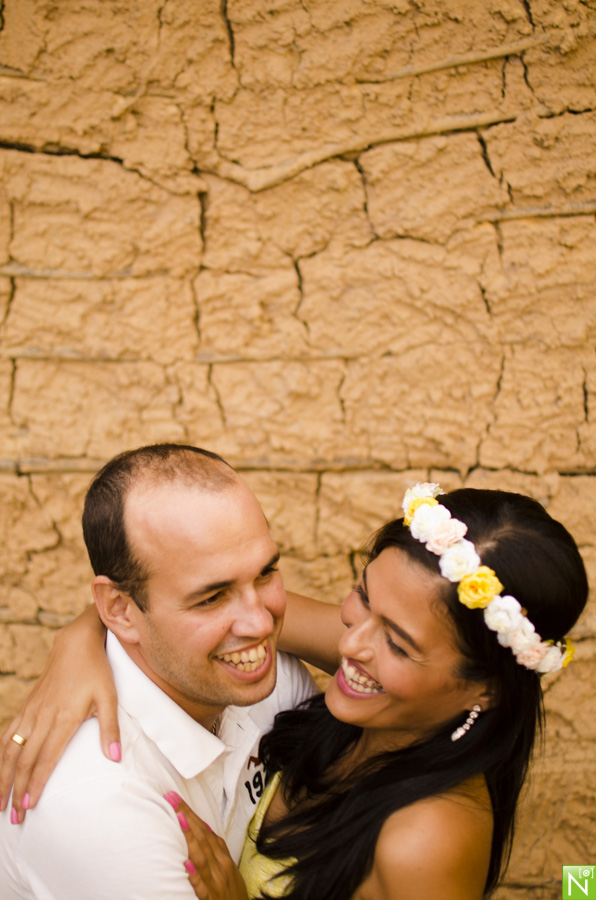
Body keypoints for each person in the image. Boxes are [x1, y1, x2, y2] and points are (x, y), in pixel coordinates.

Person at [1, 481, 588, 899]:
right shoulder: (372, 690)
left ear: (481, 690)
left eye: (399, 644)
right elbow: (166, 611)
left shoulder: (424, 840)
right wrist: (78, 644)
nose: (351, 645)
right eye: (362, 597)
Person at [0, 444, 319, 899]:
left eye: (266, 573)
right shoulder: (100, 804)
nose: (262, 624)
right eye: (212, 597)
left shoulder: (274, 681)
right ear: (119, 609)